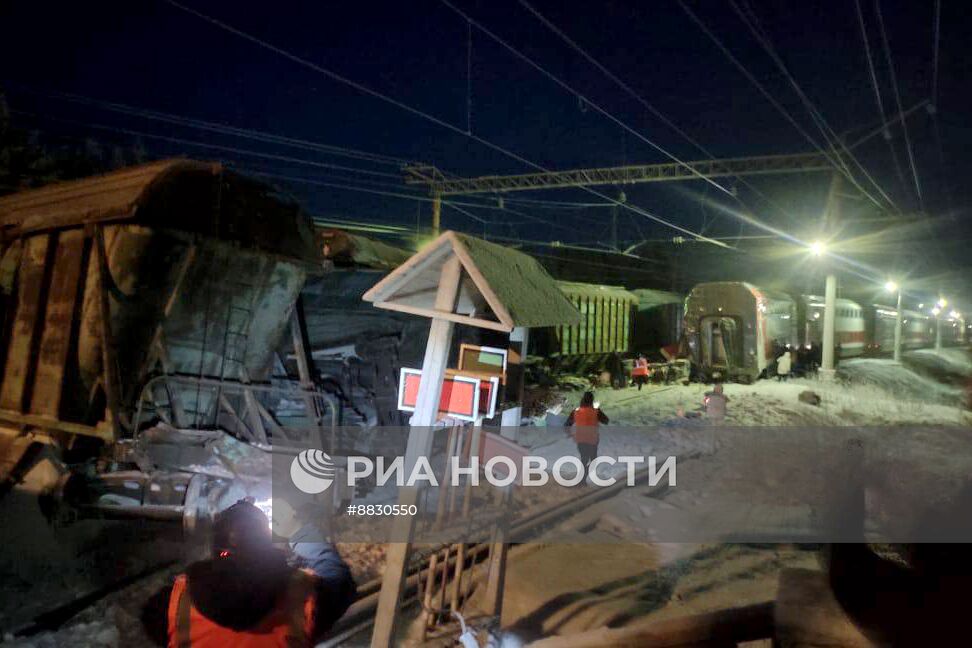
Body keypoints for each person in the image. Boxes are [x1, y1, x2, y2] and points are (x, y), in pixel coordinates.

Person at [142, 498, 356, 647]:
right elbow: (337, 576)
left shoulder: (172, 605)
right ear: (266, 545)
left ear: (216, 549)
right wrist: (298, 531)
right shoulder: (304, 600)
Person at [564, 391, 609, 484]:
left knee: (584, 459)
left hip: (580, 439)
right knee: (593, 461)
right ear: (592, 400)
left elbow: (566, 425)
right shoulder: (596, 411)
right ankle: (581, 480)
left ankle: (581, 480)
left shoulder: (575, 411)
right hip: (592, 439)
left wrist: (570, 434)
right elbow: (606, 420)